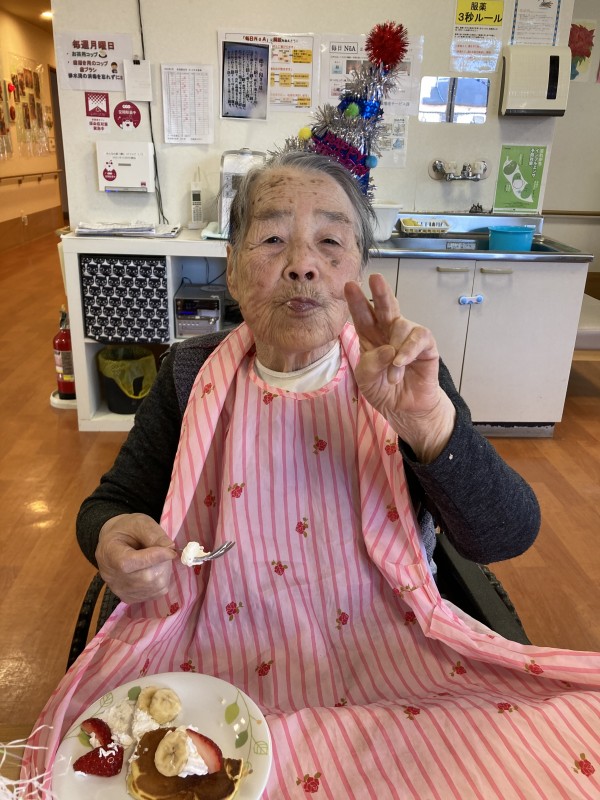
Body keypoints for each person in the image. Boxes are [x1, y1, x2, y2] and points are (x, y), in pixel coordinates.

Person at [24, 152, 600, 798]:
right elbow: (109, 506)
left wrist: (431, 425)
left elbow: (508, 534)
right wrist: (110, 537)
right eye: (272, 239)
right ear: (233, 270)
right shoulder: (187, 376)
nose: (302, 264)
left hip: (392, 669)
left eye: (330, 242)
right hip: (212, 665)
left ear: (359, 270)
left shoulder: (405, 376)